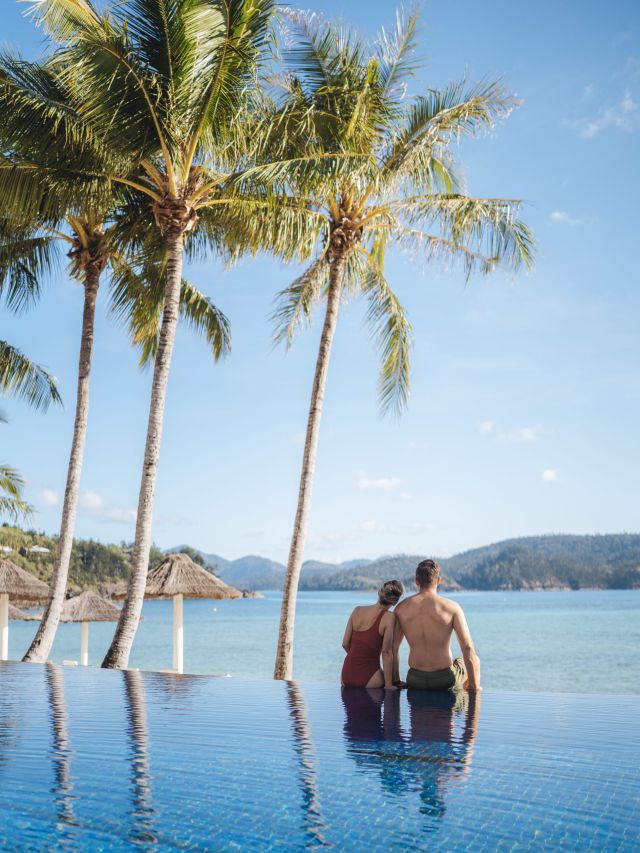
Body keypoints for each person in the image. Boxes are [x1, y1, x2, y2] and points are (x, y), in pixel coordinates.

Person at [393, 559, 481, 691]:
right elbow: (467, 647)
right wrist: (474, 686)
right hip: (444, 679)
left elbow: (393, 648)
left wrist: (396, 680)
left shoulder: (401, 608)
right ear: (438, 580)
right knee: (475, 659)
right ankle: (472, 691)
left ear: (417, 581)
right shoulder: (452, 607)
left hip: (415, 679)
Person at [341, 580, 404, 689]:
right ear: (394, 602)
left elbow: (345, 643)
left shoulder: (357, 610)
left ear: (379, 593)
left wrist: (357, 658)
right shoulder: (389, 618)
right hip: (370, 676)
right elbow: (386, 652)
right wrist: (388, 685)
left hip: (346, 674)